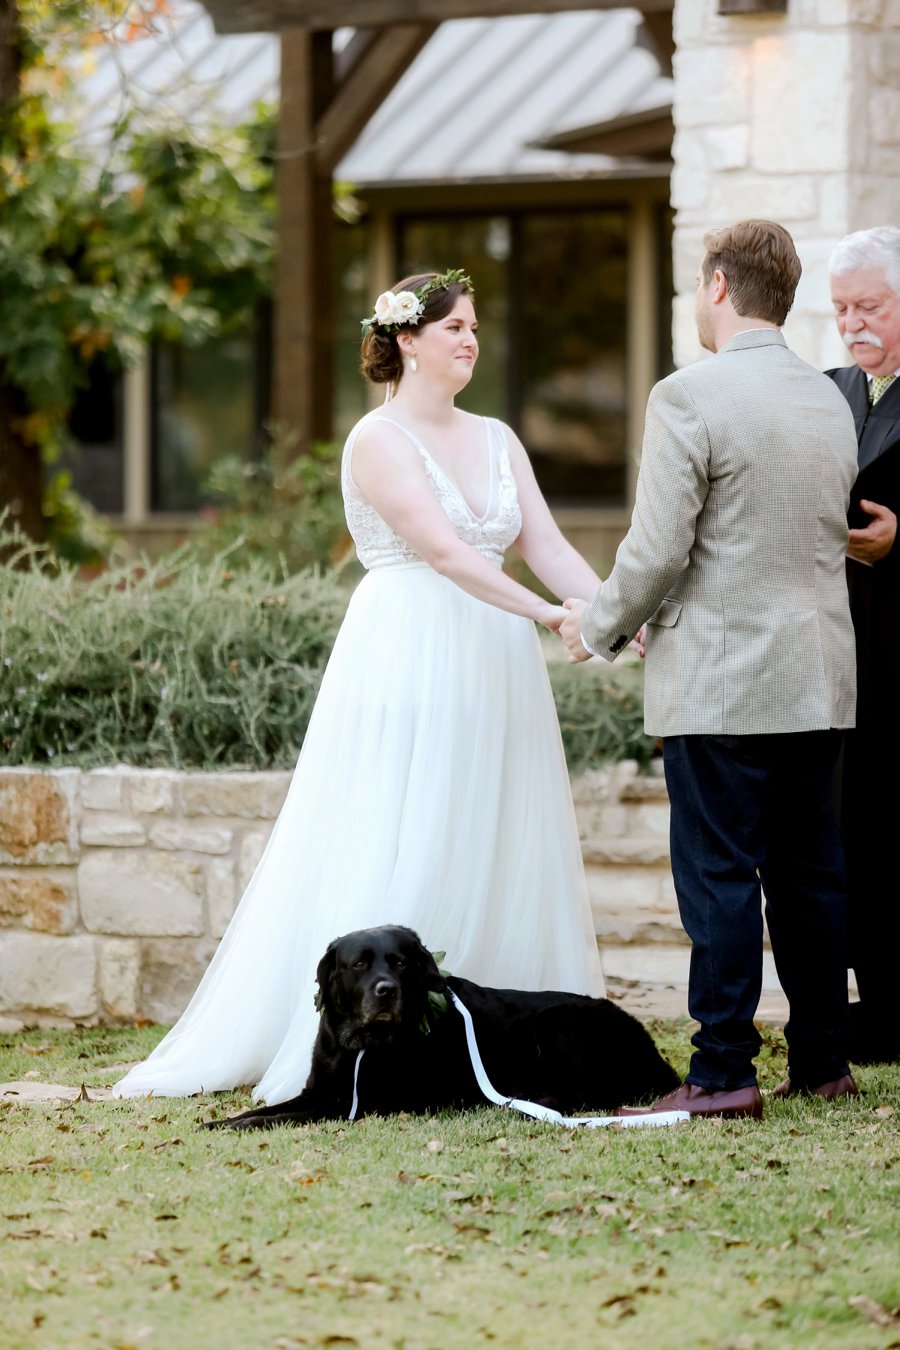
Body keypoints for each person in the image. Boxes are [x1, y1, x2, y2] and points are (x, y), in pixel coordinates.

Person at [114, 268, 605, 1104]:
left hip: (494, 653)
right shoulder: (375, 442)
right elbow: (448, 555)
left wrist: (608, 610)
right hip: (411, 643)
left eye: (476, 328)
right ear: (406, 341)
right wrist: (550, 618)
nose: (471, 341)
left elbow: (549, 545)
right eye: (455, 328)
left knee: (490, 813)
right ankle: (376, 1027)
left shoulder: (498, 438)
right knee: (405, 818)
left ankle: (492, 1026)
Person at [560, 220, 860, 1120]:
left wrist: (599, 626)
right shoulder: (827, 400)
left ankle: (723, 1072)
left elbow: (656, 551)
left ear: (720, 286)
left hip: (724, 680)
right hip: (818, 676)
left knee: (721, 878)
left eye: (698, 283)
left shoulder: (688, 396)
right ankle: (822, 1062)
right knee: (811, 877)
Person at [827, 226, 900, 1065]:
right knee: (849, 827)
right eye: (842, 309)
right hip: (840, 647)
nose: (853, 323)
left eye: (870, 305)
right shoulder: (830, 391)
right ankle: (865, 1007)